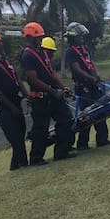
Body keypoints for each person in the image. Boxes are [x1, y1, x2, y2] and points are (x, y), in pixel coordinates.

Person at [20, 22, 75, 165]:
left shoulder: (42, 52)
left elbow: (52, 74)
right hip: (41, 98)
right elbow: (33, 79)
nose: (40, 40)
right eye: (37, 37)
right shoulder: (27, 55)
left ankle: (61, 152)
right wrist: (52, 91)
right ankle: (36, 158)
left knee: (66, 119)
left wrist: (62, 88)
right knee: (41, 129)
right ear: (30, 38)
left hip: (53, 95)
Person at [64, 22, 110, 150]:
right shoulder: (70, 52)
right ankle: (82, 143)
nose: (82, 38)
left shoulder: (84, 48)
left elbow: (91, 63)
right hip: (83, 86)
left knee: (101, 110)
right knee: (86, 114)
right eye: (79, 36)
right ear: (72, 37)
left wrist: (97, 76)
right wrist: (90, 78)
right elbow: (76, 69)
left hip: (93, 84)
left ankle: (102, 139)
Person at [0, 32, 30, 170]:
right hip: (3, 105)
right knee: (15, 136)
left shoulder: (5, 61)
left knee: (21, 133)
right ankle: (23, 163)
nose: (0, 45)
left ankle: (15, 165)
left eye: (0, 42)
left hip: (15, 101)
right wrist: (11, 108)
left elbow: (17, 80)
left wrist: (27, 95)